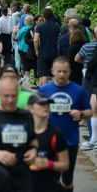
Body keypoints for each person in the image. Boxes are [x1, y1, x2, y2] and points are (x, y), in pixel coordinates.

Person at [38, 57, 91, 191]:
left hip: (70, 140)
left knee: (67, 179)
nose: (62, 74)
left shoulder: (79, 90)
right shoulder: (44, 90)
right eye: (59, 71)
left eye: (65, 71)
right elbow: (35, 112)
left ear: (70, 72)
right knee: (50, 178)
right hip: (48, 140)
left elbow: (90, 111)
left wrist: (81, 114)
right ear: (52, 71)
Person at [0, 75, 38, 192]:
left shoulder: (27, 116)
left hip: (22, 176)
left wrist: (34, 149)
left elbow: (34, 139)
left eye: (14, 96)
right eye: (6, 96)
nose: (10, 100)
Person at [27, 94, 70, 192]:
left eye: (48, 104)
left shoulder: (55, 134)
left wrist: (48, 164)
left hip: (48, 186)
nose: (46, 107)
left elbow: (65, 165)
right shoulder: (23, 131)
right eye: (41, 104)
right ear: (30, 108)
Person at [34, 8, 60, 85]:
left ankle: (42, 93)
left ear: (43, 16)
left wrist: (36, 50)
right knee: (53, 74)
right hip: (54, 52)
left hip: (43, 52)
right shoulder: (57, 26)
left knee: (43, 74)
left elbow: (35, 39)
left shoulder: (39, 26)